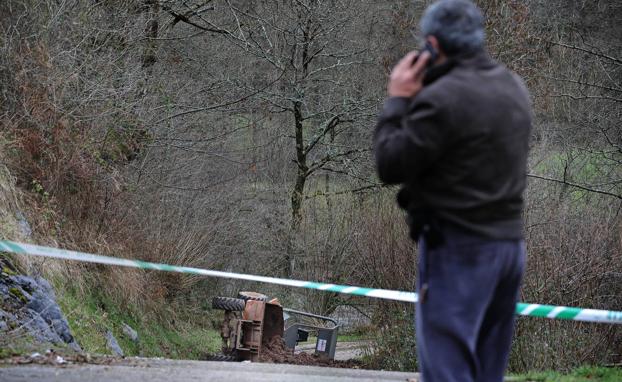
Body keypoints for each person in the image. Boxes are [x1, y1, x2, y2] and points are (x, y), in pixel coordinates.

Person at [373, 0, 532, 381]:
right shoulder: (512, 86)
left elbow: (389, 163)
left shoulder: (443, 98)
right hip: (508, 246)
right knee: (485, 370)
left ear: (432, 44)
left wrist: (398, 99)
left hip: (459, 248)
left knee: (448, 368)